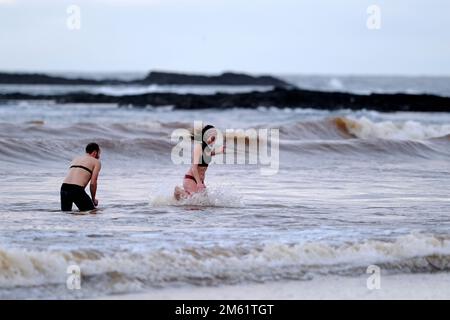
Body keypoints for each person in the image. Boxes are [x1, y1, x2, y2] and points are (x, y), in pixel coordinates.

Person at [174, 125, 225, 200]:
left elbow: (207, 154)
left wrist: (219, 151)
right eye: (213, 137)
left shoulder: (206, 147)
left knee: (205, 203)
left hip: (200, 180)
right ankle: (178, 190)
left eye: (216, 137)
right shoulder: (198, 147)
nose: (215, 139)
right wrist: (198, 183)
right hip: (191, 179)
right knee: (194, 200)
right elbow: (194, 168)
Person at [60, 142, 102, 212]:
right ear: (95, 152)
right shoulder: (96, 162)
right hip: (76, 189)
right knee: (93, 211)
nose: (99, 156)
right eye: (99, 153)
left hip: (64, 188)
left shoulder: (76, 159)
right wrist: (93, 199)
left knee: (66, 213)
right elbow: (93, 183)